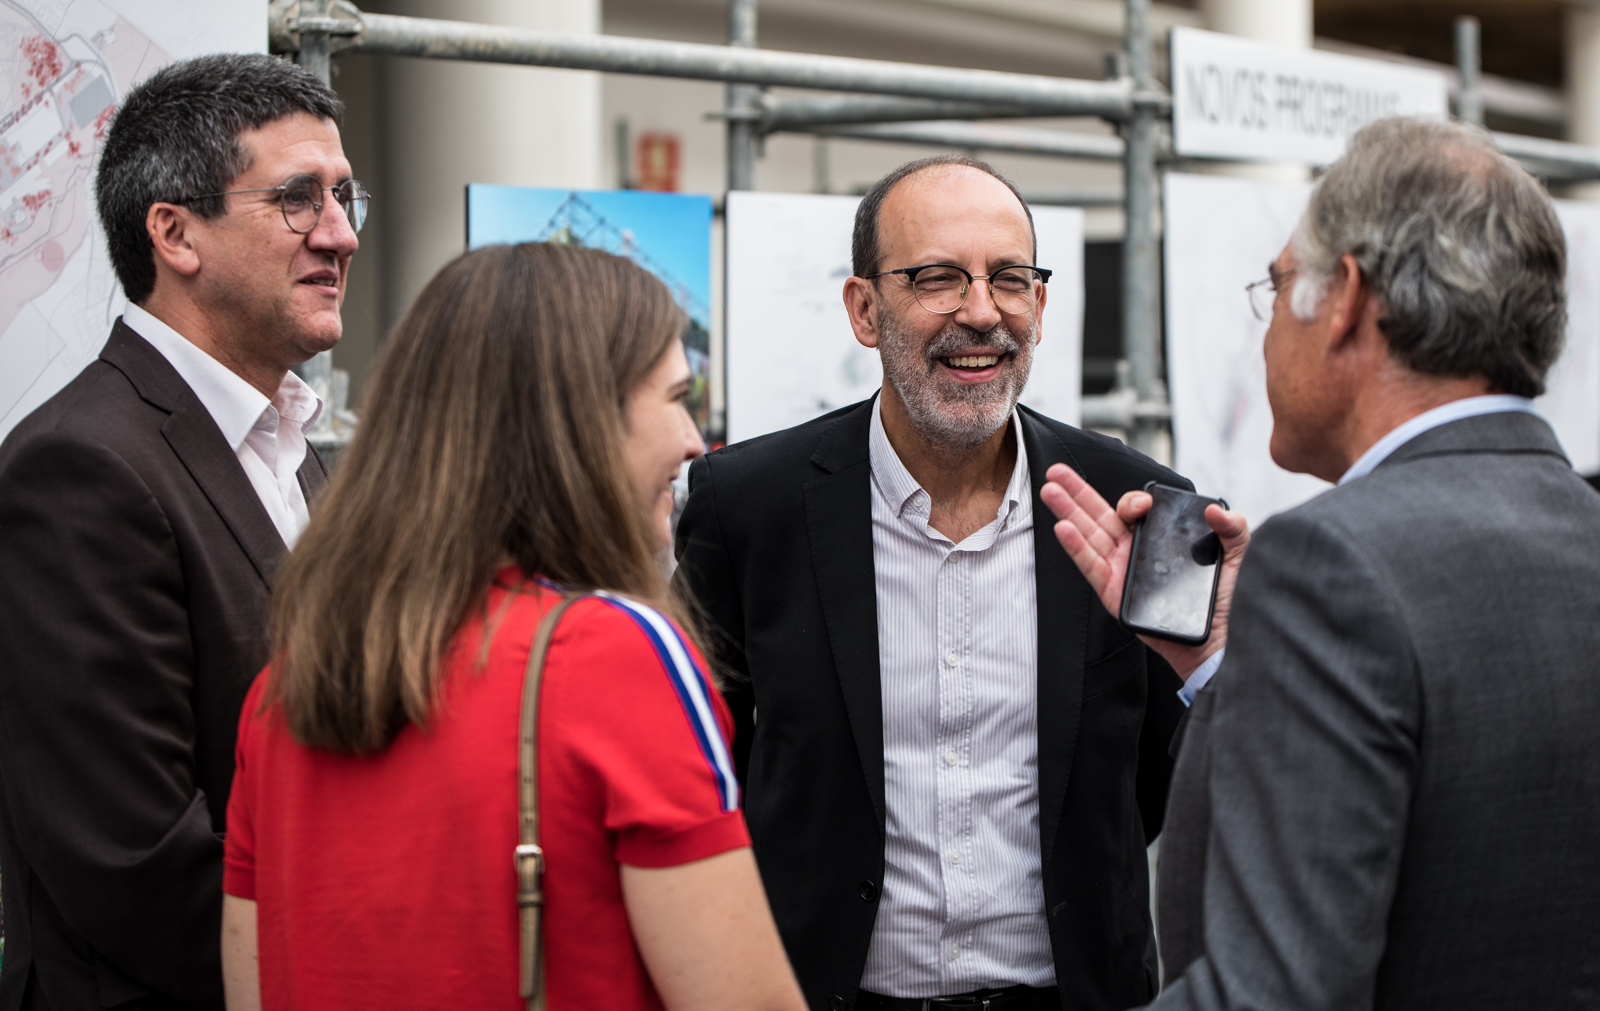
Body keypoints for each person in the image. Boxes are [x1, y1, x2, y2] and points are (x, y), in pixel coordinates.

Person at [1043, 116, 1600, 1011]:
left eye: (1276, 290)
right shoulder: (1579, 523)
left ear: (1344, 297)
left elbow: (1272, 989)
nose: (1266, 336)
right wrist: (1228, 663)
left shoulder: (1331, 558)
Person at [219, 242, 807, 1011]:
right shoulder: (618, 655)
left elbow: (251, 985)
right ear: (582, 423)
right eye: (675, 398)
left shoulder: (287, 686)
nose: (696, 440)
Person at [674, 155, 1195, 1011]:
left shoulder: (1139, 505)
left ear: (1041, 303)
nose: (982, 312)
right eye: (938, 279)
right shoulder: (748, 508)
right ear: (865, 309)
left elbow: (1168, 773)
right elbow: (707, 772)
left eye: (1010, 280)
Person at [0, 54, 362, 1010]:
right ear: (174, 232)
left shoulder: (291, 443)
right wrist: (367, 956)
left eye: (346, 197)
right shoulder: (78, 468)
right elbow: (134, 861)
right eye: (299, 198)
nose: (341, 234)